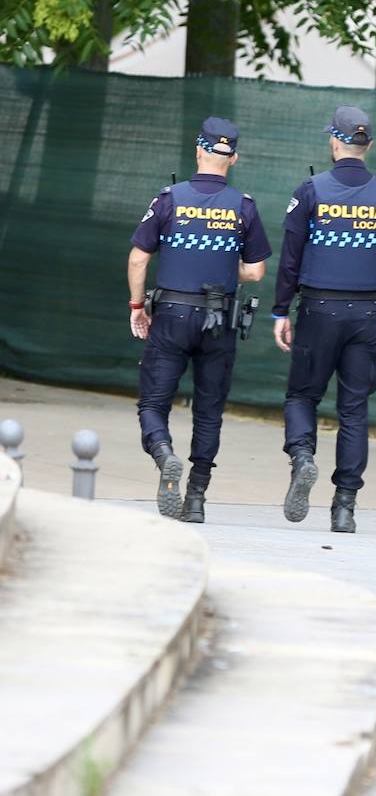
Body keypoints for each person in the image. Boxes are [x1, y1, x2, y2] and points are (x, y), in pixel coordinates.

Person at [272, 105, 376, 533]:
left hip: (318, 309)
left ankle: (303, 457)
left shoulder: (310, 191)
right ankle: (344, 507)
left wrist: (281, 310)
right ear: (368, 146)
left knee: (302, 395)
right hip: (366, 314)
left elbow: (290, 261)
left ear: (334, 142)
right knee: (354, 411)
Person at [128, 116, 271, 522]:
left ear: (198, 150)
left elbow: (139, 256)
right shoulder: (244, 206)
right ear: (234, 158)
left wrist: (138, 307)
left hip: (171, 313)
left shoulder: (169, 199)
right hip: (219, 317)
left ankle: (163, 453)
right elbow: (256, 270)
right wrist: (226, 265)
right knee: (209, 411)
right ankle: (196, 498)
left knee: (153, 403)